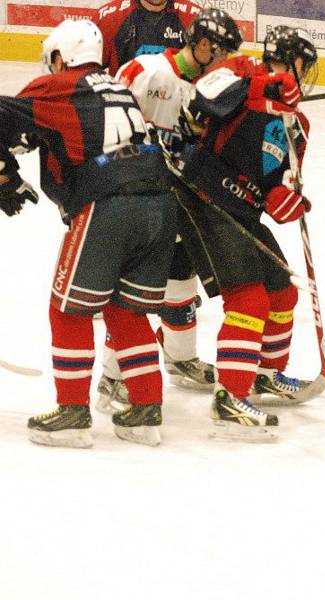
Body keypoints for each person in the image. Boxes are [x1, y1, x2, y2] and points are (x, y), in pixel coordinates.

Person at [0, 19, 177, 448]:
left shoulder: (60, 86)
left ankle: (73, 413)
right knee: (127, 313)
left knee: (68, 312)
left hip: (108, 204)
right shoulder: (117, 85)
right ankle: (145, 413)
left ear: (61, 57)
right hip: (160, 204)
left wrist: (4, 174)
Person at [171, 25, 318, 440]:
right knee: (248, 299)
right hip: (205, 195)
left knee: (282, 292)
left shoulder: (298, 123)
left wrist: (284, 199)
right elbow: (203, 97)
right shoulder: (242, 69)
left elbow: (281, 181)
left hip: (243, 211)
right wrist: (262, 88)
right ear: (296, 61)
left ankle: (264, 375)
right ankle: (229, 398)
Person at [95, 7, 242, 413]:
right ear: (203, 45)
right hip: (137, 200)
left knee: (182, 276)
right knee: (137, 291)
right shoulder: (145, 70)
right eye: (222, 51)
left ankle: (180, 356)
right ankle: (111, 378)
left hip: (180, 198)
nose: (225, 61)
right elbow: (106, 121)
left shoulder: (210, 89)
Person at [94, 0, 202, 77]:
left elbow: (211, 77)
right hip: (127, 105)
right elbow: (86, 74)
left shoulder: (195, 18)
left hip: (178, 104)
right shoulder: (110, 18)